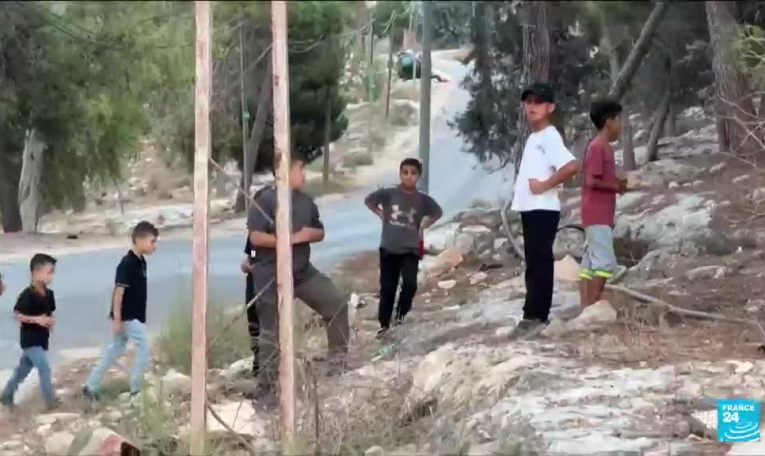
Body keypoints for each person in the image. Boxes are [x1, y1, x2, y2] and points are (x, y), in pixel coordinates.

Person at [248, 154, 349, 403]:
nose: (304, 174)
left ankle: (338, 365)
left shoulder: (306, 201)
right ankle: (267, 388)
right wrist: (287, 239)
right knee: (271, 329)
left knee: (336, 304)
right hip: (271, 274)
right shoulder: (265, 199)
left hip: (302, 272)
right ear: (284, 171)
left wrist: (307, 235)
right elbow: (256, 237)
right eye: (300, 169)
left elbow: (319, 231)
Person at [509, 82, 579, 339]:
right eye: (528, 102)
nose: (531, 107)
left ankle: (536, 316)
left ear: (550, 107)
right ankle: (533, 314)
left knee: (540, 263)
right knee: (534, 262)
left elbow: (571, 165)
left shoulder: (550, 136)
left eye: (537, 102)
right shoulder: (533, 137)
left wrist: (545, 185)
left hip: (543, 208)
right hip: (531, 208)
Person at [365, 158, 443, 339]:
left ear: (418, 176)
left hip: (410, 249)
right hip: (389, 247)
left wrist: (424, 224)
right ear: (400, 174)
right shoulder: (389, 193)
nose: (409, 176)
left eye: (413, 173)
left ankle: (400, 317)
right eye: (405, 172)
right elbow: (369, 200)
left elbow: (437, 212)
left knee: (410, 285)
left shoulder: (422, 199)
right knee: (387, 288)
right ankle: (384, 325)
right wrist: (380, 213)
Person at [82, 221, 159, 400]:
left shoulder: (140, 262)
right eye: (152, 241)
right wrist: (117, 320)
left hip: (131, 316)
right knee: (144, 348)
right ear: (138, 240)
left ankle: (90, 386)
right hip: (126, 317)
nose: (154, 246)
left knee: (115, 349)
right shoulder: (127, 263)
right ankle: (136, 389)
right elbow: (118, 293)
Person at [579, 99, 627, 307]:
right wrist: (615, 186)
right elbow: (591, 180)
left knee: (589, 263)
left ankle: (586, 307)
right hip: (597, 213)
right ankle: (594, 304)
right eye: (619, 119)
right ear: (609, 122)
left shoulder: (603, 147)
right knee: (605, 263)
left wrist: (618, 183)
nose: (621, 124)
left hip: (598, 213)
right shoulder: (598, 147)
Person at [2, 254, 59, 410]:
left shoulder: (49, 294)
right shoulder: (27, 294)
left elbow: (50, 313)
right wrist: (36, 320)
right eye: (49, 272)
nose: (52, 276)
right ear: (35, 273)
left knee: (22, 370)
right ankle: (50, 401)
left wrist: (50, 322)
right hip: (29, 340)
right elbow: (17, 314)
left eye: (53, 272)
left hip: (42, 339)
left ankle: (6, 395)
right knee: (44, 367)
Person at [241, 237, 260, 378]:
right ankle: (257, 365)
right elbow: (250, 258)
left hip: (267, 287)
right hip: (252, 286)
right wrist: (246, 265)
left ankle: (267, 369)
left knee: (267, 328)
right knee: (254, 328)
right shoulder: (253, 235)